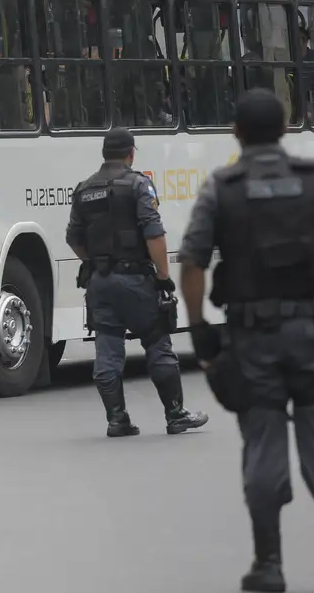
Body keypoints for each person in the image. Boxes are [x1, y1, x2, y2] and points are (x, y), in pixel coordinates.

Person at [180, 88, 314, 592]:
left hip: (252, 341)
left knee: (262, 448)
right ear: (285, 129)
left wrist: (201, 333)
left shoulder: (222, 188)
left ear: (236, 133)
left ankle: (268, 564)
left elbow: (193, 263)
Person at [66, 127, 209, 437]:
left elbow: (73, 238)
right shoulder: (138, 185)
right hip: (135, 280)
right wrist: (163, 277)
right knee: (157, 341)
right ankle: (175, 413)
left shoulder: (84, 190)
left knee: (107, 347)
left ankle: (117, 419)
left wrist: (95, 260)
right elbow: (153, 233)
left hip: (100, 283)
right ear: (130, 153)